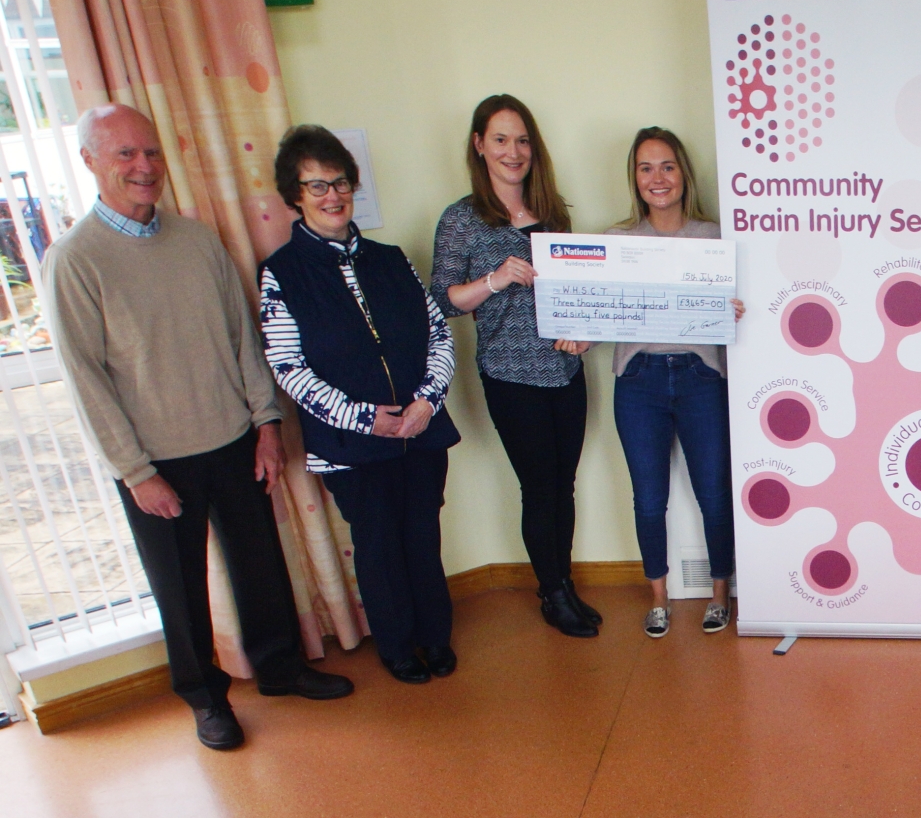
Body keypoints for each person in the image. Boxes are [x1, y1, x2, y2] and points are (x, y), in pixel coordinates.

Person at [45, 104, 354, 751]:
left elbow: (242, 334)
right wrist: (135, 472)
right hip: (156, 460)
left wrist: (265, 422)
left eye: (151, 152)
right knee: (181, 590)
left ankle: (280, 667)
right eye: (125, 153)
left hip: (233, 437)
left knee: (261, 565)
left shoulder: (196, 240)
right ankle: (206, 699)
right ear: (90, 161)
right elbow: (85, 379)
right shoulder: (74, 259)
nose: (144, 166)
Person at [259, 125, 461, 684]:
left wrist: (426, 403)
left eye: (341, 182)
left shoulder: (392, 259)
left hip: (421, 431)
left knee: (422, 537)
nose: (333, 196)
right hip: (350, 445)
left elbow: (438, 335)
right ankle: (397, 647)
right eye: (317, 185)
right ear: (295, 195)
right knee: (377, 547)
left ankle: (435, 637)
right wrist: (367, 419)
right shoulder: (281, 273)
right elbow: (289, 368)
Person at [430, 95, 599, 637]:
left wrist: (585, 331)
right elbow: (441, 300)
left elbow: (578, 291)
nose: (513, 151)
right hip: (510, 376)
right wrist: (495, 279)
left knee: (564, 485)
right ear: (479, 145)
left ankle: (564, 584)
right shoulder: (461, 219)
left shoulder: (553, 213)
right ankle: (552, 593)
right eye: (501, 139)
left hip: (566, 372)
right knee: (540, 488)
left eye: (522, 140)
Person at [602, 127, 744, 638]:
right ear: (634, 178)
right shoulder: (617, 241)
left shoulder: (715, 238)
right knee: (648, 498)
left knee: (714, 493)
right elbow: (599, 310)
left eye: (667, 166)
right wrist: (577, 330)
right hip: (637, 379)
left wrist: (736, 308)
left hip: (701, 376)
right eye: (646, 168)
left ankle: (720, 593)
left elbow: (741, 306)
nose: (657, 178)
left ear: (684, 173)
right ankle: (659, 598)